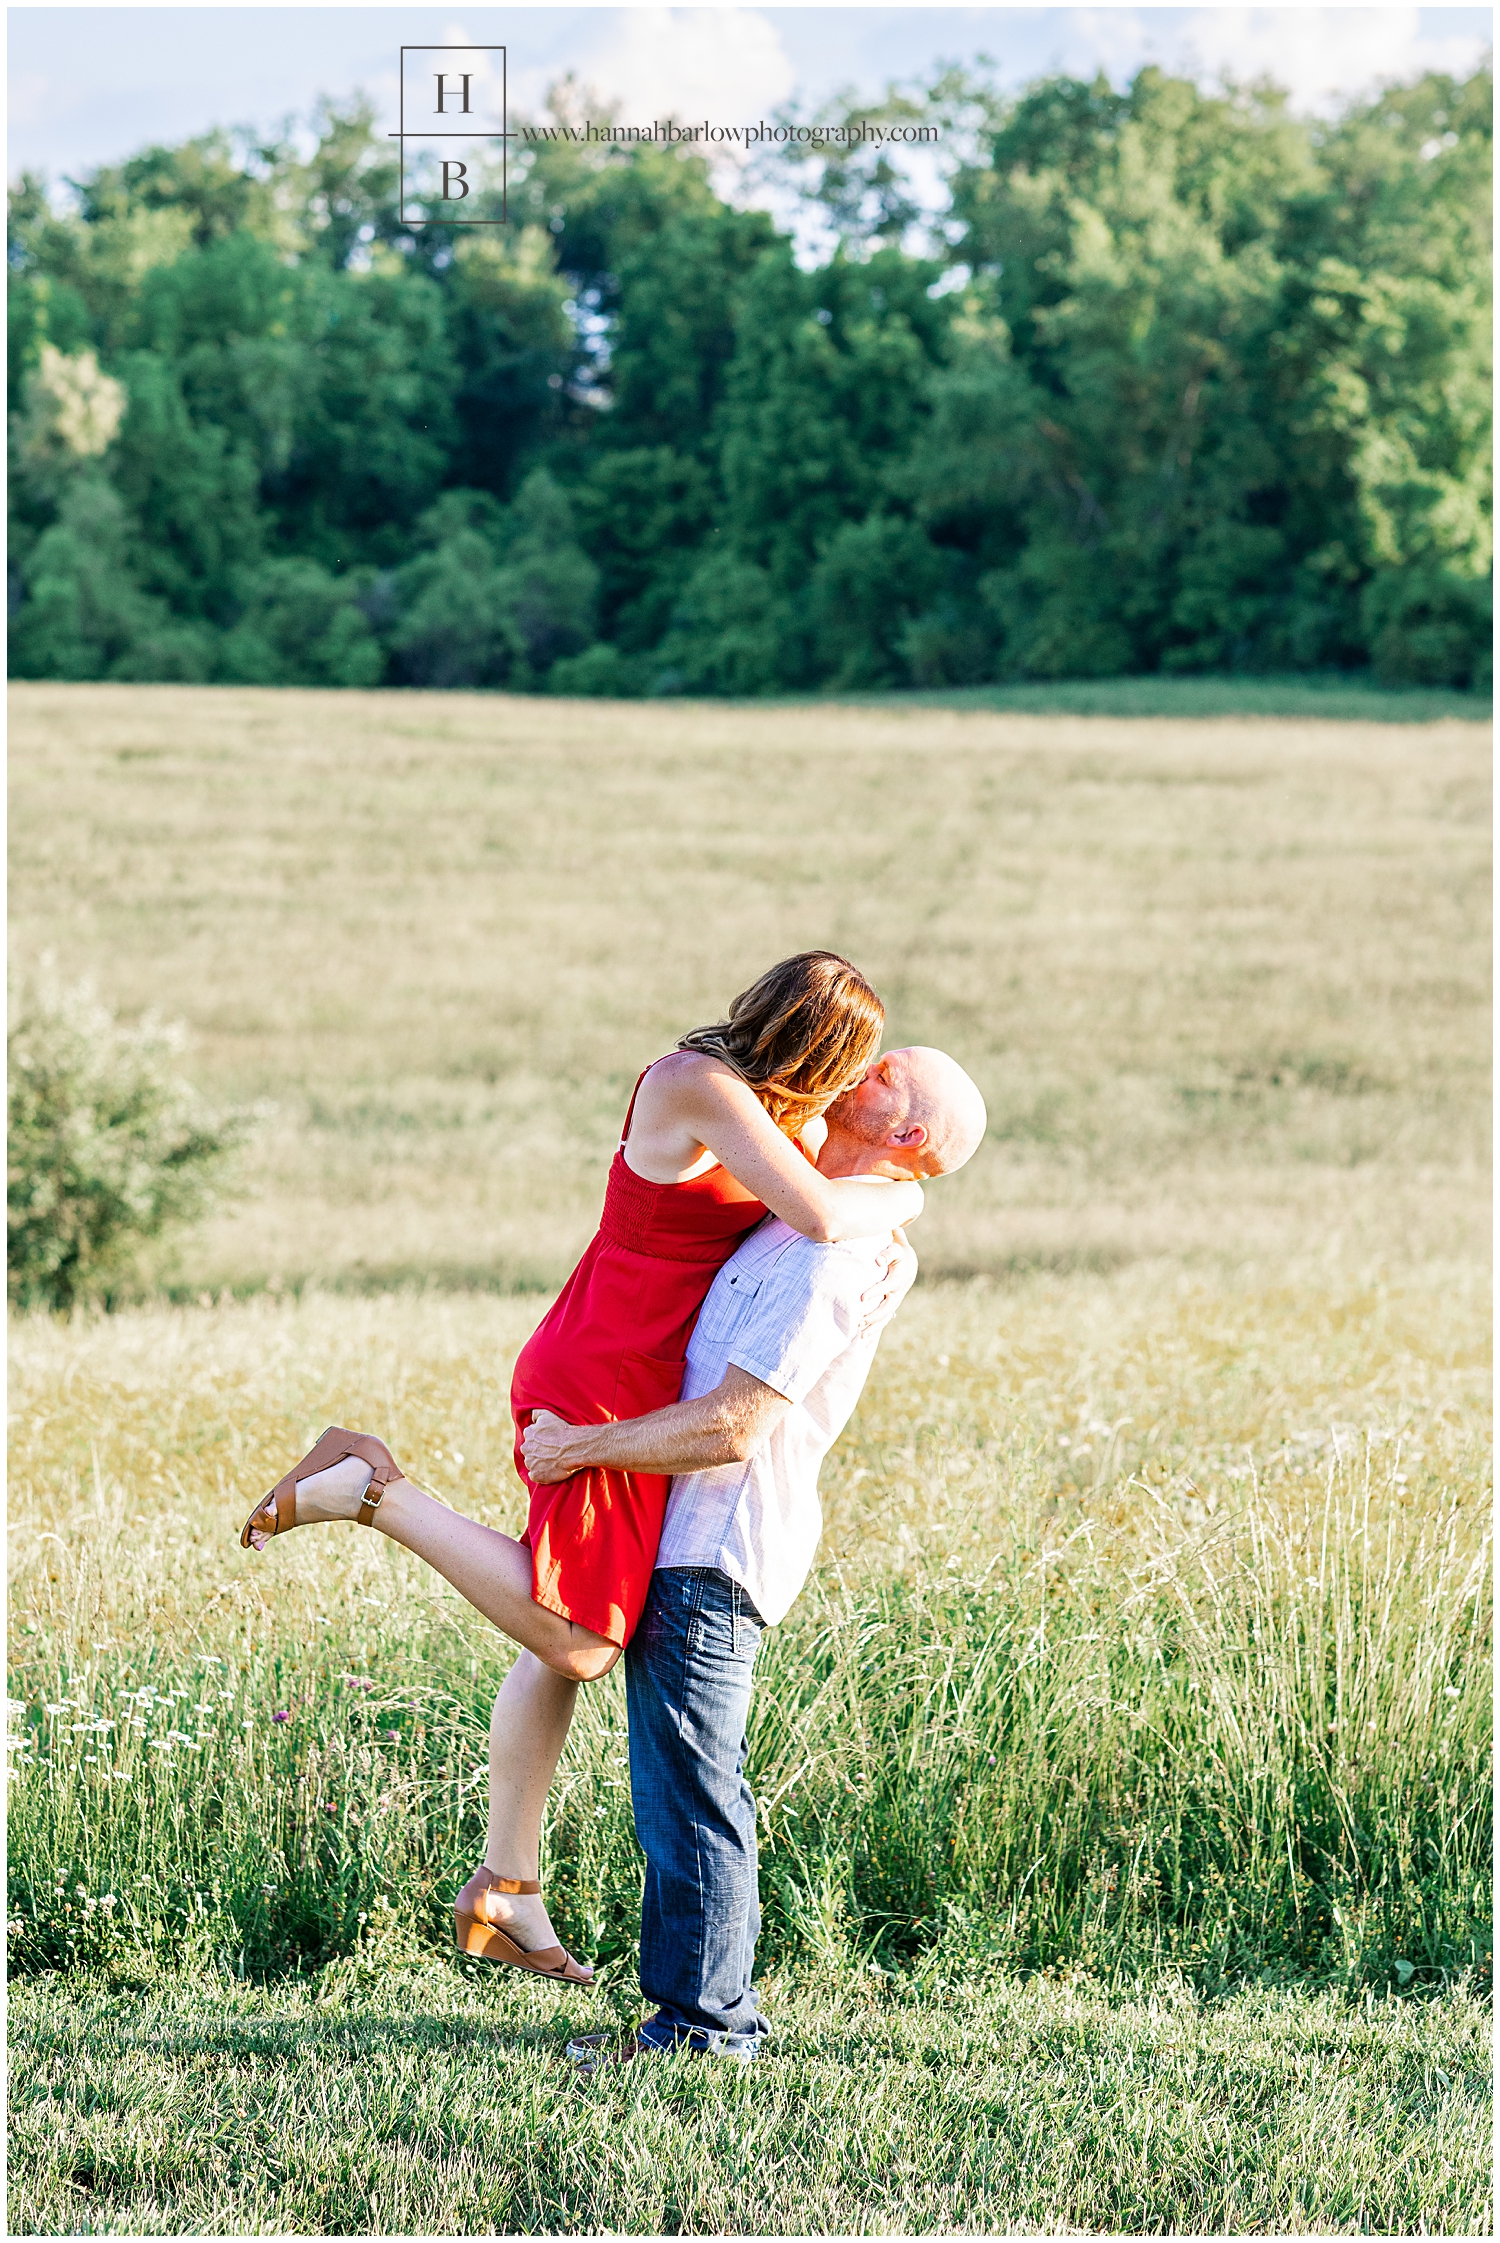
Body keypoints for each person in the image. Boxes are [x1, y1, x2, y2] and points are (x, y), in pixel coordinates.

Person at [239, 953, 926, 1985]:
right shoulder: (697, 1085)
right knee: (580, 1636)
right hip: (603, 1370)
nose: (847, 1090)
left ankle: (508, 1885)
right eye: (849, 1065)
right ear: (813, 1046)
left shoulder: (775, 1116)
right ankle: (371, 1486)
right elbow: (829, 1214)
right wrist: (910, 1203)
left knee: (564, 1627)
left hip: (646, 1375)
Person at [520, 1045, 988, 2065]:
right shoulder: (812, 1215)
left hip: (714, 1547)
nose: (856, 1069)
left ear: (906, 1136)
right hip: (685, 1537)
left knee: (693, 1790)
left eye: (883, 1075)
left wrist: (578, 1446)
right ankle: (699, 2015)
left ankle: (705, 2028)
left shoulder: (833, 1254)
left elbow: (733, 1425)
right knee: (685, 1783)